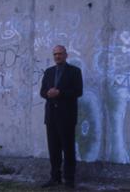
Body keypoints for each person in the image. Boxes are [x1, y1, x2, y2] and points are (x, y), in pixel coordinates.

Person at [39, 45, 83, 188]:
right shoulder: (49, 72)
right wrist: (48, 93)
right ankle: (55, 178)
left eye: (60, 54)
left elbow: (78, 91)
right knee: (53, 149)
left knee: (68, 149)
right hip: (51, 116)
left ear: (66, 55)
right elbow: (42, 92)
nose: (57, 56)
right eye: (55, 54)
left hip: (67, 117)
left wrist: (60, 93)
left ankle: (69, 180)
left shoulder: (75, 71)